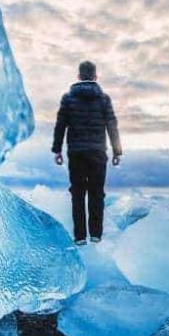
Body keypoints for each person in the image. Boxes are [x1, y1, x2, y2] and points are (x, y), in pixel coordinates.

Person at [52, 60, 123, 245]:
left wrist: (57, 150)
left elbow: (61, 125)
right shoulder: (103, 99)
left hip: (76, 153)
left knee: (77, 193)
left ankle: (80, 237)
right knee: (96, 193)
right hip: (98, 153)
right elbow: (112, 125)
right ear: (95, 76)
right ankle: (96, 234)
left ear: (78, 76)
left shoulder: (68, 99)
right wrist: (117, 152)